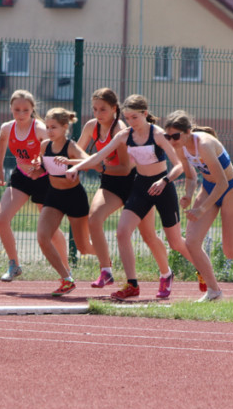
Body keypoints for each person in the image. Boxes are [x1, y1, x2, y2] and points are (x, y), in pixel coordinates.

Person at [67, 94, 191, 300]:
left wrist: (164, 181)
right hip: (141, 186)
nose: (131, 122)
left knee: (175, 240)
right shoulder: (124, 135)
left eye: (135, 117)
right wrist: (77, 167)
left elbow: (178, 165)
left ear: (145, 114)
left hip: (162, 186)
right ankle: (132, 284)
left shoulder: (158, 134)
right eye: (127, 117)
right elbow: (97, 157)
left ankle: (191, 272)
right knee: (122, 233)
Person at [165, 112, 233, 302]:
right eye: (167, 137)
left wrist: (202, 209)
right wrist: (188, 194)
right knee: (191, 243)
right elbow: (190, 177)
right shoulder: (180, 147)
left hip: (232, 190)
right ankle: (214, 292)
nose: (171, 141)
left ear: (188, 132)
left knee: (231, 251)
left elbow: (223, 184)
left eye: (175, 136)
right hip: (209, 187)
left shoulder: (203, 145)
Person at [0, 90, 67, 281]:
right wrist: (0, 168)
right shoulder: (7, 128)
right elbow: (2, 141)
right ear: (11, 108)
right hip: (21, 176)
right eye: (16, 109)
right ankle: (13, 265)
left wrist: (41, 164)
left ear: (32, 109)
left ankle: (66, 270)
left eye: (25, 110)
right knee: (1, 218)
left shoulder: (40, 129)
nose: (21, 114)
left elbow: (57, 147)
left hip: (43, 179)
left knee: (50, 229)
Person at [38, 107, 95, 296]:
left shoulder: (70, 146)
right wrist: (36, 168)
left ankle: (107, 261)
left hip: (74, 197)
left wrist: (70, 163)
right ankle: (66, 279)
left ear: (64, 127)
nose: (49, 131)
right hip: (54, 196)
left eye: (53, 127)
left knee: (83, 247)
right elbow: (44, 166)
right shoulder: (45, 145)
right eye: (47, 127)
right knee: (43, 237)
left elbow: (90, 161)